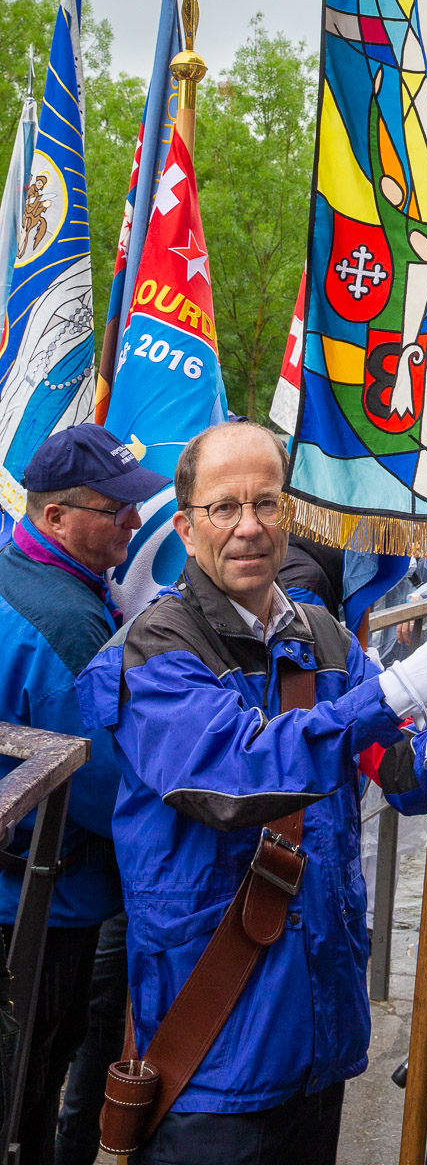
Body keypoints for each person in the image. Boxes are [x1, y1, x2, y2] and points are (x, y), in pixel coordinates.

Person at [76, 421, 427, 1165]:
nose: (248, 526)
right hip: (213, 1046)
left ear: (291, 515)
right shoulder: (154, 648)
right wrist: (394, 692)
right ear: (185, 527)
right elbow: (231, 776)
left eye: (267, 503)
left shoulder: (325, 638)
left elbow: (391, 769)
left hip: (320, 1026)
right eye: (223, 507)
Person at [0, 425, 166, 1165]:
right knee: (25, 1097)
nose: (134, 521)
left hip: (31, 891)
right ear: (55, 517)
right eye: (116, 508)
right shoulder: (65, 621)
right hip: (39, 909)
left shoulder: (26, 575)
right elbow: (103, 791)